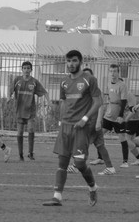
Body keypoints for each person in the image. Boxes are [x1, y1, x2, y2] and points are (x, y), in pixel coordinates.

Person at [42, 50, 102, 207]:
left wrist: (85, 119)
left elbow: (98, 102)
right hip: (65, 127)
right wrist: (61, 121)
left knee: (80, 163)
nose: (71, 64)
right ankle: (57, 197)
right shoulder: (64, 82)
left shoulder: (89, 80)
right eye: (68, 61)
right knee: (62, 163)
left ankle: (93, 187)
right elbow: (63, 102)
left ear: (80, 62)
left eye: (74, 60)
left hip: (80, 128)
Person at [100, 63, 139, 168]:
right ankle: (100, 158)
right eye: (111, 71)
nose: (113, 74)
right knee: (99, 135)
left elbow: (132, 109)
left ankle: (133, 160)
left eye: (115, 71)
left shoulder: (127, 92)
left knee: (126, 140)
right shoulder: (109, 85)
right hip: (113, 116)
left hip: (133, 119)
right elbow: (111, 100)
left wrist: (124, 118)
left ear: (118, 74)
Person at [9, 61, 48, 161]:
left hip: (30, 111)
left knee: (31, 130)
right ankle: (20, 154)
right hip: (19, 110)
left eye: (28, 68)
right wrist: (9, 97)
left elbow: (44, 92)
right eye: (24, 68)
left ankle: (30, 153)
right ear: (22, 69)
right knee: (20, 132)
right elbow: (10, 90)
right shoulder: (17, 80)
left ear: (31, 70)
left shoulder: (34, 82)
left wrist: (49, 102)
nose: (26, 70)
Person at [82, 67, 116, 175]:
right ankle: (110, 167)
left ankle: (77, 165)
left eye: (88, 75)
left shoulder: (96, 90)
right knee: (100, 145)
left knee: (82, 143)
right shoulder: (84, 90)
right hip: (89, 121)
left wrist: (98, 121)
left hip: (93, 122)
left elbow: (101, 106)